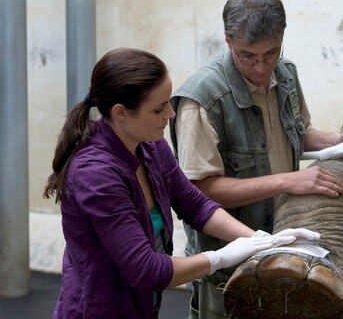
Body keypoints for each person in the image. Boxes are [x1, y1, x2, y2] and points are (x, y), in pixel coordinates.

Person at [43, 47, 319, 319]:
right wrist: (220, 258)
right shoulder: (95, 175)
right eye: (158, 109)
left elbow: (195, 205)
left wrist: (261, 241)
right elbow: (146, 270)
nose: (171, 115)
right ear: (120, 113)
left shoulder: (151, 146)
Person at [169, 0, 343, 317]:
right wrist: (290, 180)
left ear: (282, 39)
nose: (261, 68)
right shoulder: (201, 101)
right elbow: (198, 191)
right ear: (228, 40)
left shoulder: (286, 73)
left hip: (283, 251)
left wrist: (338, 142)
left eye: (270, 54)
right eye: (247, 56)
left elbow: (298, 133)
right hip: (227, 268)